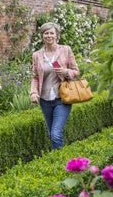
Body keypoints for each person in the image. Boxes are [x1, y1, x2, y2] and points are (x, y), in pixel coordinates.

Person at [30, 22, 79, 150]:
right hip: (45, 100)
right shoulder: (37, 55)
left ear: (57, 35)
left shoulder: (65, 50)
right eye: (46, 33)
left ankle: (59, 163)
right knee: (51, 134)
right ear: (42, 36)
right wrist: (33, 92)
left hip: (62, 98)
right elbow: (35, 77)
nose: (49, 35)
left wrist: (66, 71)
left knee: (56, 134)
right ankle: (58, 158)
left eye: (52, 33)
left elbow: (76, 71)